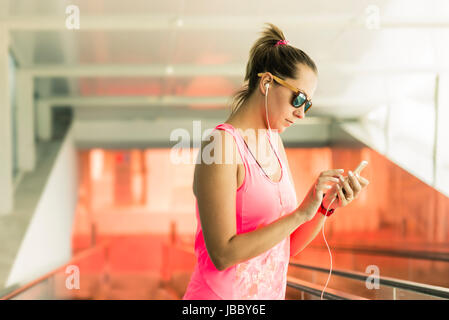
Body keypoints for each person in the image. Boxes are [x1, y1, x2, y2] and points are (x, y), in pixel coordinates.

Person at [182, 23, 369, 300]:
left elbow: (285, 248)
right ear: (267, 82)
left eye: (308, 105)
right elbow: (223, 254)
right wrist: (300, 214)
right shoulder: (221, 146)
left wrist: (323, 207)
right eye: (299, 98)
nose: (301, 113)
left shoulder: (274, 142)